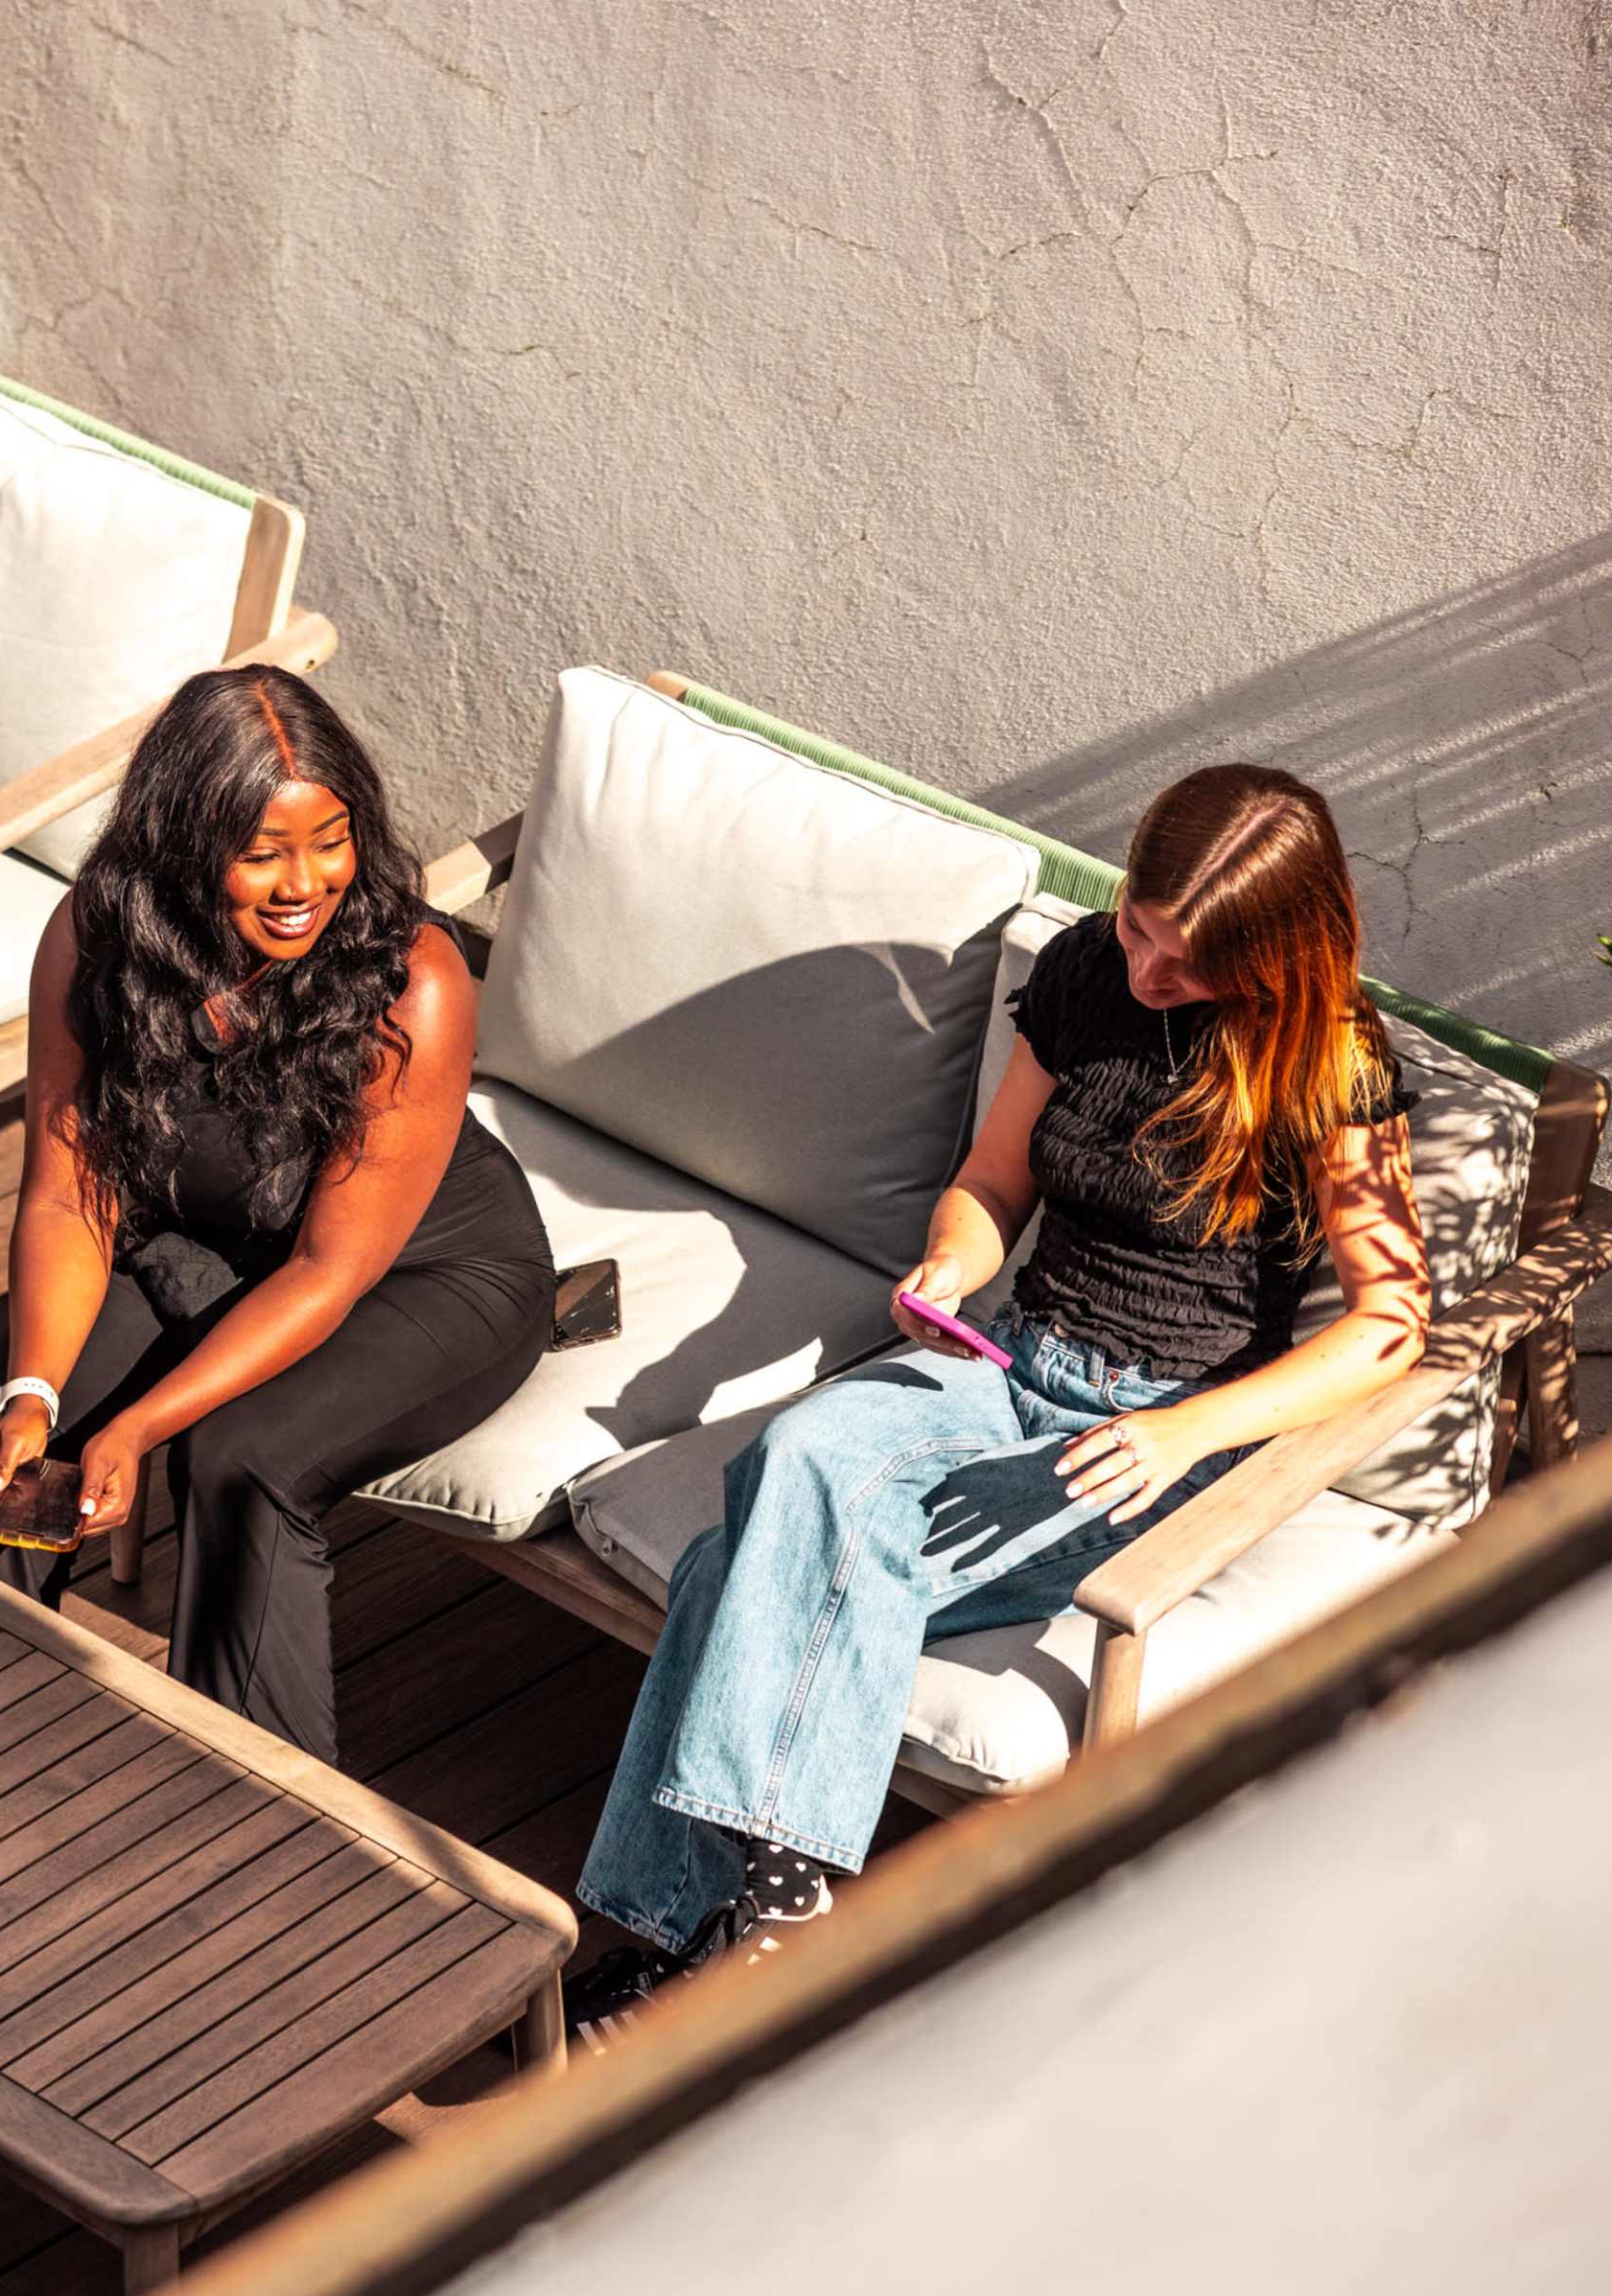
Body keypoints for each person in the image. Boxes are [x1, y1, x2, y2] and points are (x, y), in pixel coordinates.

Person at [568, 764, 1432, 2043]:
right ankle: (780, 1926)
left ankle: (674, 1936)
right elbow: (990, 1181)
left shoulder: (1329, 1064)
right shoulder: (1088, 974)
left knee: (735, 1560)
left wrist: (1187, 1429)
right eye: (1141, 928)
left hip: (1149, 1435)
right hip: (1002, 1362)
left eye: (1187, 964)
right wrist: (949, 1267)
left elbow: (1392, 1325)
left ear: (1277, 952)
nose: (1147, 973)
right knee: (802, 1461)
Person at [0, 668, 563, 1764]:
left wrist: (142, 1427)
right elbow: (67, 1186)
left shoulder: (413, 982)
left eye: (330, 841)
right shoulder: (98, 937)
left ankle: (263, 1805)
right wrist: (34, 1390)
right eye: (261, 852)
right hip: (205, 1238)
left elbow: (330, 1269)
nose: (303, 883)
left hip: (420, 1274)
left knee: (239, 1459)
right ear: (181, 846)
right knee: (13, 1440)